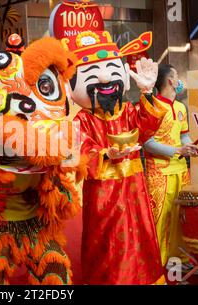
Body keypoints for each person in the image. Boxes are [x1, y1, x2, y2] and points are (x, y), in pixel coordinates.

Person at [66, 30, 166, 284]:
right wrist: (105, 154)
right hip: (103, 198)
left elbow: (148, 128)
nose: (104, 79)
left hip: (134, 194)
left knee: (141, 240)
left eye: (111, 70)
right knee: (107, 245)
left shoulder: (129, 112)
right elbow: (80, 153)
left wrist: (147, 92)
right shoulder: (82, 120)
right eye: (91, 75)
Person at [143, 64, 198, 272]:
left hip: (180, 171)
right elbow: (147, 143)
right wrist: (178, 150)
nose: (179, 81)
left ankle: (178, 259)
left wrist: (190, 145)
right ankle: (155, 262)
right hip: (159, 172)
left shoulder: (180, 108)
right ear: (170, 81)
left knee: (180, 217)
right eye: (176, 77)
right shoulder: (152, 107)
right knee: (160, 217)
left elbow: (184, 135)